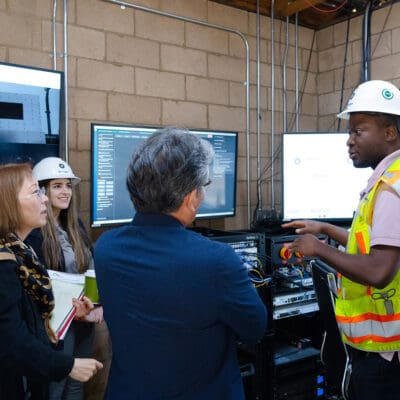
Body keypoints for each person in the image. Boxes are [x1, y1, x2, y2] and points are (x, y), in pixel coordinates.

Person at [94, 127, 267, 400]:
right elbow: (255, 328)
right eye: (202, 188)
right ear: (189, 197)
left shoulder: (105, 248)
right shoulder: (217, 261)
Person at [282, 79, 400, 400]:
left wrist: (317, 248)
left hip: (385, 357)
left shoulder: (391, 189)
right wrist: (325, 229)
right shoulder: (388, 180)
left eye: (357, 131)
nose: (349, 141)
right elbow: (376, 245)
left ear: (389, 133)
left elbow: (379, 270)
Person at [0, 162, 103, 400]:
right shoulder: (5, 264)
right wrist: (66, 366)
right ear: (9, 203)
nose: (45, 199)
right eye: (36, 192)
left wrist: (77, 306)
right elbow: (12, 341)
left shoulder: (22, 252)